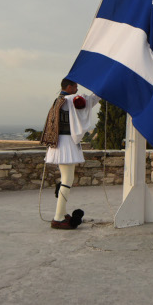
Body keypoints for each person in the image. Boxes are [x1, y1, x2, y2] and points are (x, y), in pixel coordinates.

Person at [39, 78, 99, 230]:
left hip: (58, 143)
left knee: (65, 179)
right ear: (70, 87)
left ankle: (63, 212)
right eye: (76, 86)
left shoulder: (58, 100)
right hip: (66, 144)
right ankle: (58, 218)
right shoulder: (71, 100)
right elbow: (88, 102)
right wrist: (101, 89)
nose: (77, 89)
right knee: (67, 179)